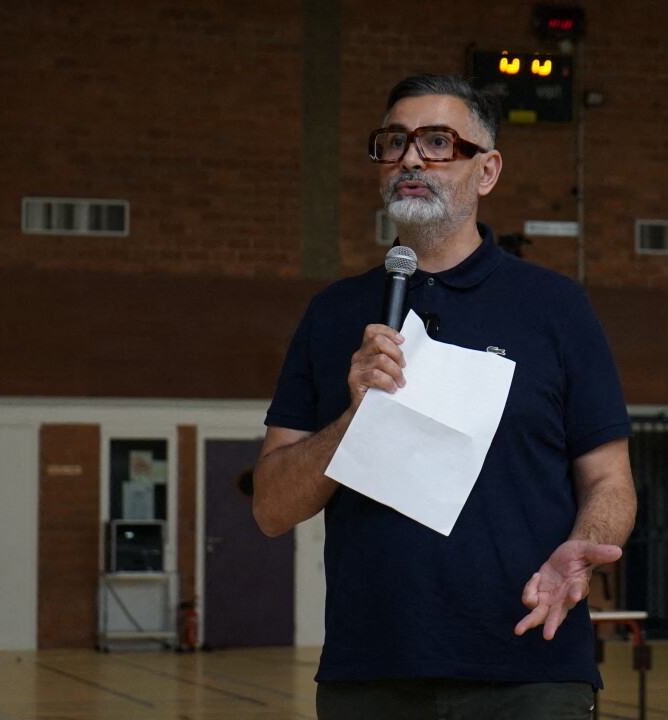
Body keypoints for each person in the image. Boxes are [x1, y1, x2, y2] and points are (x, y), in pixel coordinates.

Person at [252, 73, 636, 720]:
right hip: (370, 674)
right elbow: (269, 507)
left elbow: (610, 480)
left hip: (529, 667)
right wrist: (354, 418)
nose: (409, 158)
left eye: (437, 142)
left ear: (486, 172)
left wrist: (583, 546)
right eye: (394, 142)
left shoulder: (555, 308)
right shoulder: (333, 314)